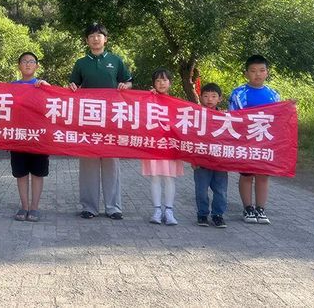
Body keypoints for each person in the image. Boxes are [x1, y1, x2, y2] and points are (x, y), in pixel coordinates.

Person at [69, 23, 132, 220]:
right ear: (87, 41)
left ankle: (113, 207)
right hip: (89, 119)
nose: (95, 39)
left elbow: (128, 81)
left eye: (99, 35)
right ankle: (89, 207)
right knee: (88, 163)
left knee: (111, 164)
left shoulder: (115, 60)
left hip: (111, 119)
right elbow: (73, 85)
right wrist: (72, 86)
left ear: (106, 39)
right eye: (91, 36)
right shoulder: (81, 63)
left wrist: (126, 85)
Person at [229, 54, 280, 224]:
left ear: (267, 72)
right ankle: (248, 208)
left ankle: (261, 208)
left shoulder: (274, 94)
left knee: (263, 176)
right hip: (246, 142)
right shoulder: (238, 94)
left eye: (261, 70)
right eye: (253, 71)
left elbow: (279, 119)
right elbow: (232, 119)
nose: (257, 74)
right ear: (246, 73)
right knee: (246, 175)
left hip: (266, 142)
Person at [10, 52, 50, 222]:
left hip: (39, 137)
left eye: (31, 61)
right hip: (18, 136)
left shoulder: (43, 86)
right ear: (19, 65)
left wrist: (48, 88)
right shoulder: (12, 87)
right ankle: (24, 206)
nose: (27, 64)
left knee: (37, 173)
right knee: (21, 173)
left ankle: (34, 207)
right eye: (24, 61)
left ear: (37, 66)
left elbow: (53, 106)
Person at [142, 68, 184, 225]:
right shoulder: (148, 100)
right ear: (153, 83)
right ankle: (157, 210)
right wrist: (149, 97)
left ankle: (169, 211)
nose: (161, 83)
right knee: (155, 177)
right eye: (158, 80)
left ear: (170, 83)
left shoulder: (176, 102)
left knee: (169, 178)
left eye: (165, 80)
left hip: (170, 146)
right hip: (153, 145)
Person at [193, 83, 228, 228]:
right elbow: (191, 138)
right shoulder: (196, 115)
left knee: (221, 190)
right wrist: (193, 159)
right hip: (201, 161)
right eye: (206, 96)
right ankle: (202, 214)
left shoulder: (226, 117)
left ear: (220, 98)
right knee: (201, 190)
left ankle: (218, 215)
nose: (209, 99)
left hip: (220, 161)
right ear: (200, 97)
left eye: (213, 96)